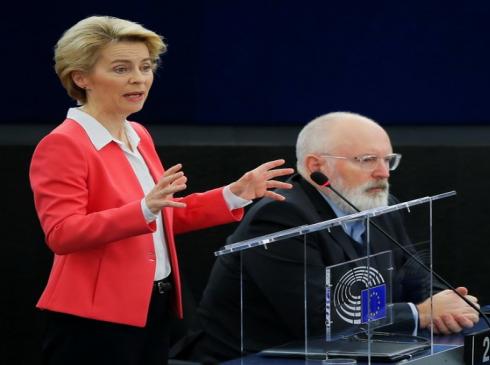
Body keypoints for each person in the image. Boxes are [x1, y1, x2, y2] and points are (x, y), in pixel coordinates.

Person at [29, 16, 293, 365]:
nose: (139, 78)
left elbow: (161, 216)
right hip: (95, 318)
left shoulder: (138, 134)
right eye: (121, 69)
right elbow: (62, 234)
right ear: (81, 78)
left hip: (153, 306)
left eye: (146, 66)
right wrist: (143, 209)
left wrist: (233, 193)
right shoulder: (63, 144)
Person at [181, 112, 479, 362]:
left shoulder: (380, 207)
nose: (383, 172)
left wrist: (445, 300)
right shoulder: (280, 217)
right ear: (316, 167)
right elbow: (316, 318)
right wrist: (419, 314)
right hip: (253, 358)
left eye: (388, 160)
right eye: (367, 160)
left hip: (342, 353)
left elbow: (414, 274)